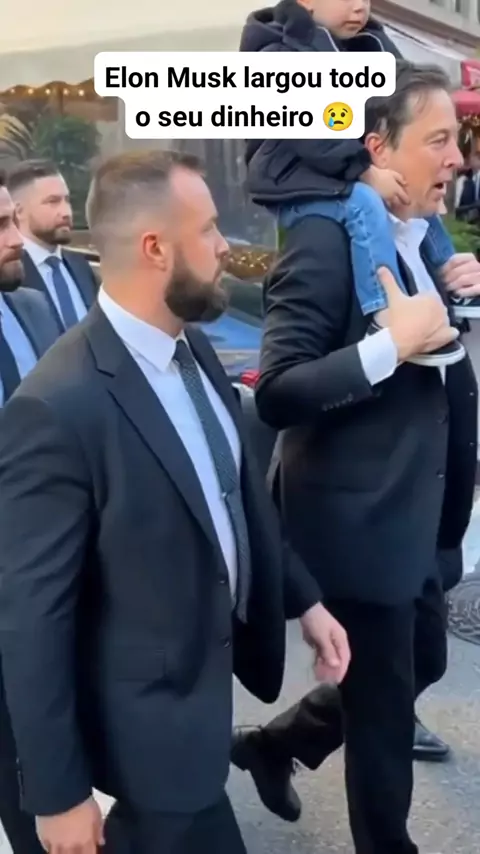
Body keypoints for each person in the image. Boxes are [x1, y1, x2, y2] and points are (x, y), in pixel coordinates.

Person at [0, 149, 350, 854]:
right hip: (134, 759)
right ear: (156, 248)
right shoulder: (57, 407)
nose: (225, 247)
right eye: (210, 228)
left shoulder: (191, 352)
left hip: (198, 719)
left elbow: (233, 499)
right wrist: (58, 794)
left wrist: (305, 600)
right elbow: (33, 619)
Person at [232, 63, 479, 854]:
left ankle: (275, 744)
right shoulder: (324, 239)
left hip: (420, 522)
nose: (458, 159)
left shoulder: (419, 241)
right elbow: (278, 390)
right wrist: (385, 349)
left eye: (457, 140)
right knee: (384, 720)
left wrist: (460, 294)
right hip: (357, 529)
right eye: (438, 140)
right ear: (378, 147)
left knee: (421, 663)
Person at [239, 0, 467, 366]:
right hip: (295, 176)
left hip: (341, 167)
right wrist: (365, 170)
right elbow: (311, 132)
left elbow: (404, 88)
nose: (360, 7)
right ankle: (385, 309)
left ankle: (451, 274)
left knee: (415, 200)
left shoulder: (369, 42)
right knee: (364, 202)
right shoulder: (278, 55)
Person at [0, 171, 59, 853]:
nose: (17, 238)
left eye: (16, 219)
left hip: (55, 570)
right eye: (1, 226)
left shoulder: (36, 309)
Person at [7, 159, 98, 332]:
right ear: (19, 211)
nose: (66, 212)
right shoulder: (10, 275)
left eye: (67, 200)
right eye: (52, 201)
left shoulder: (81, 265)